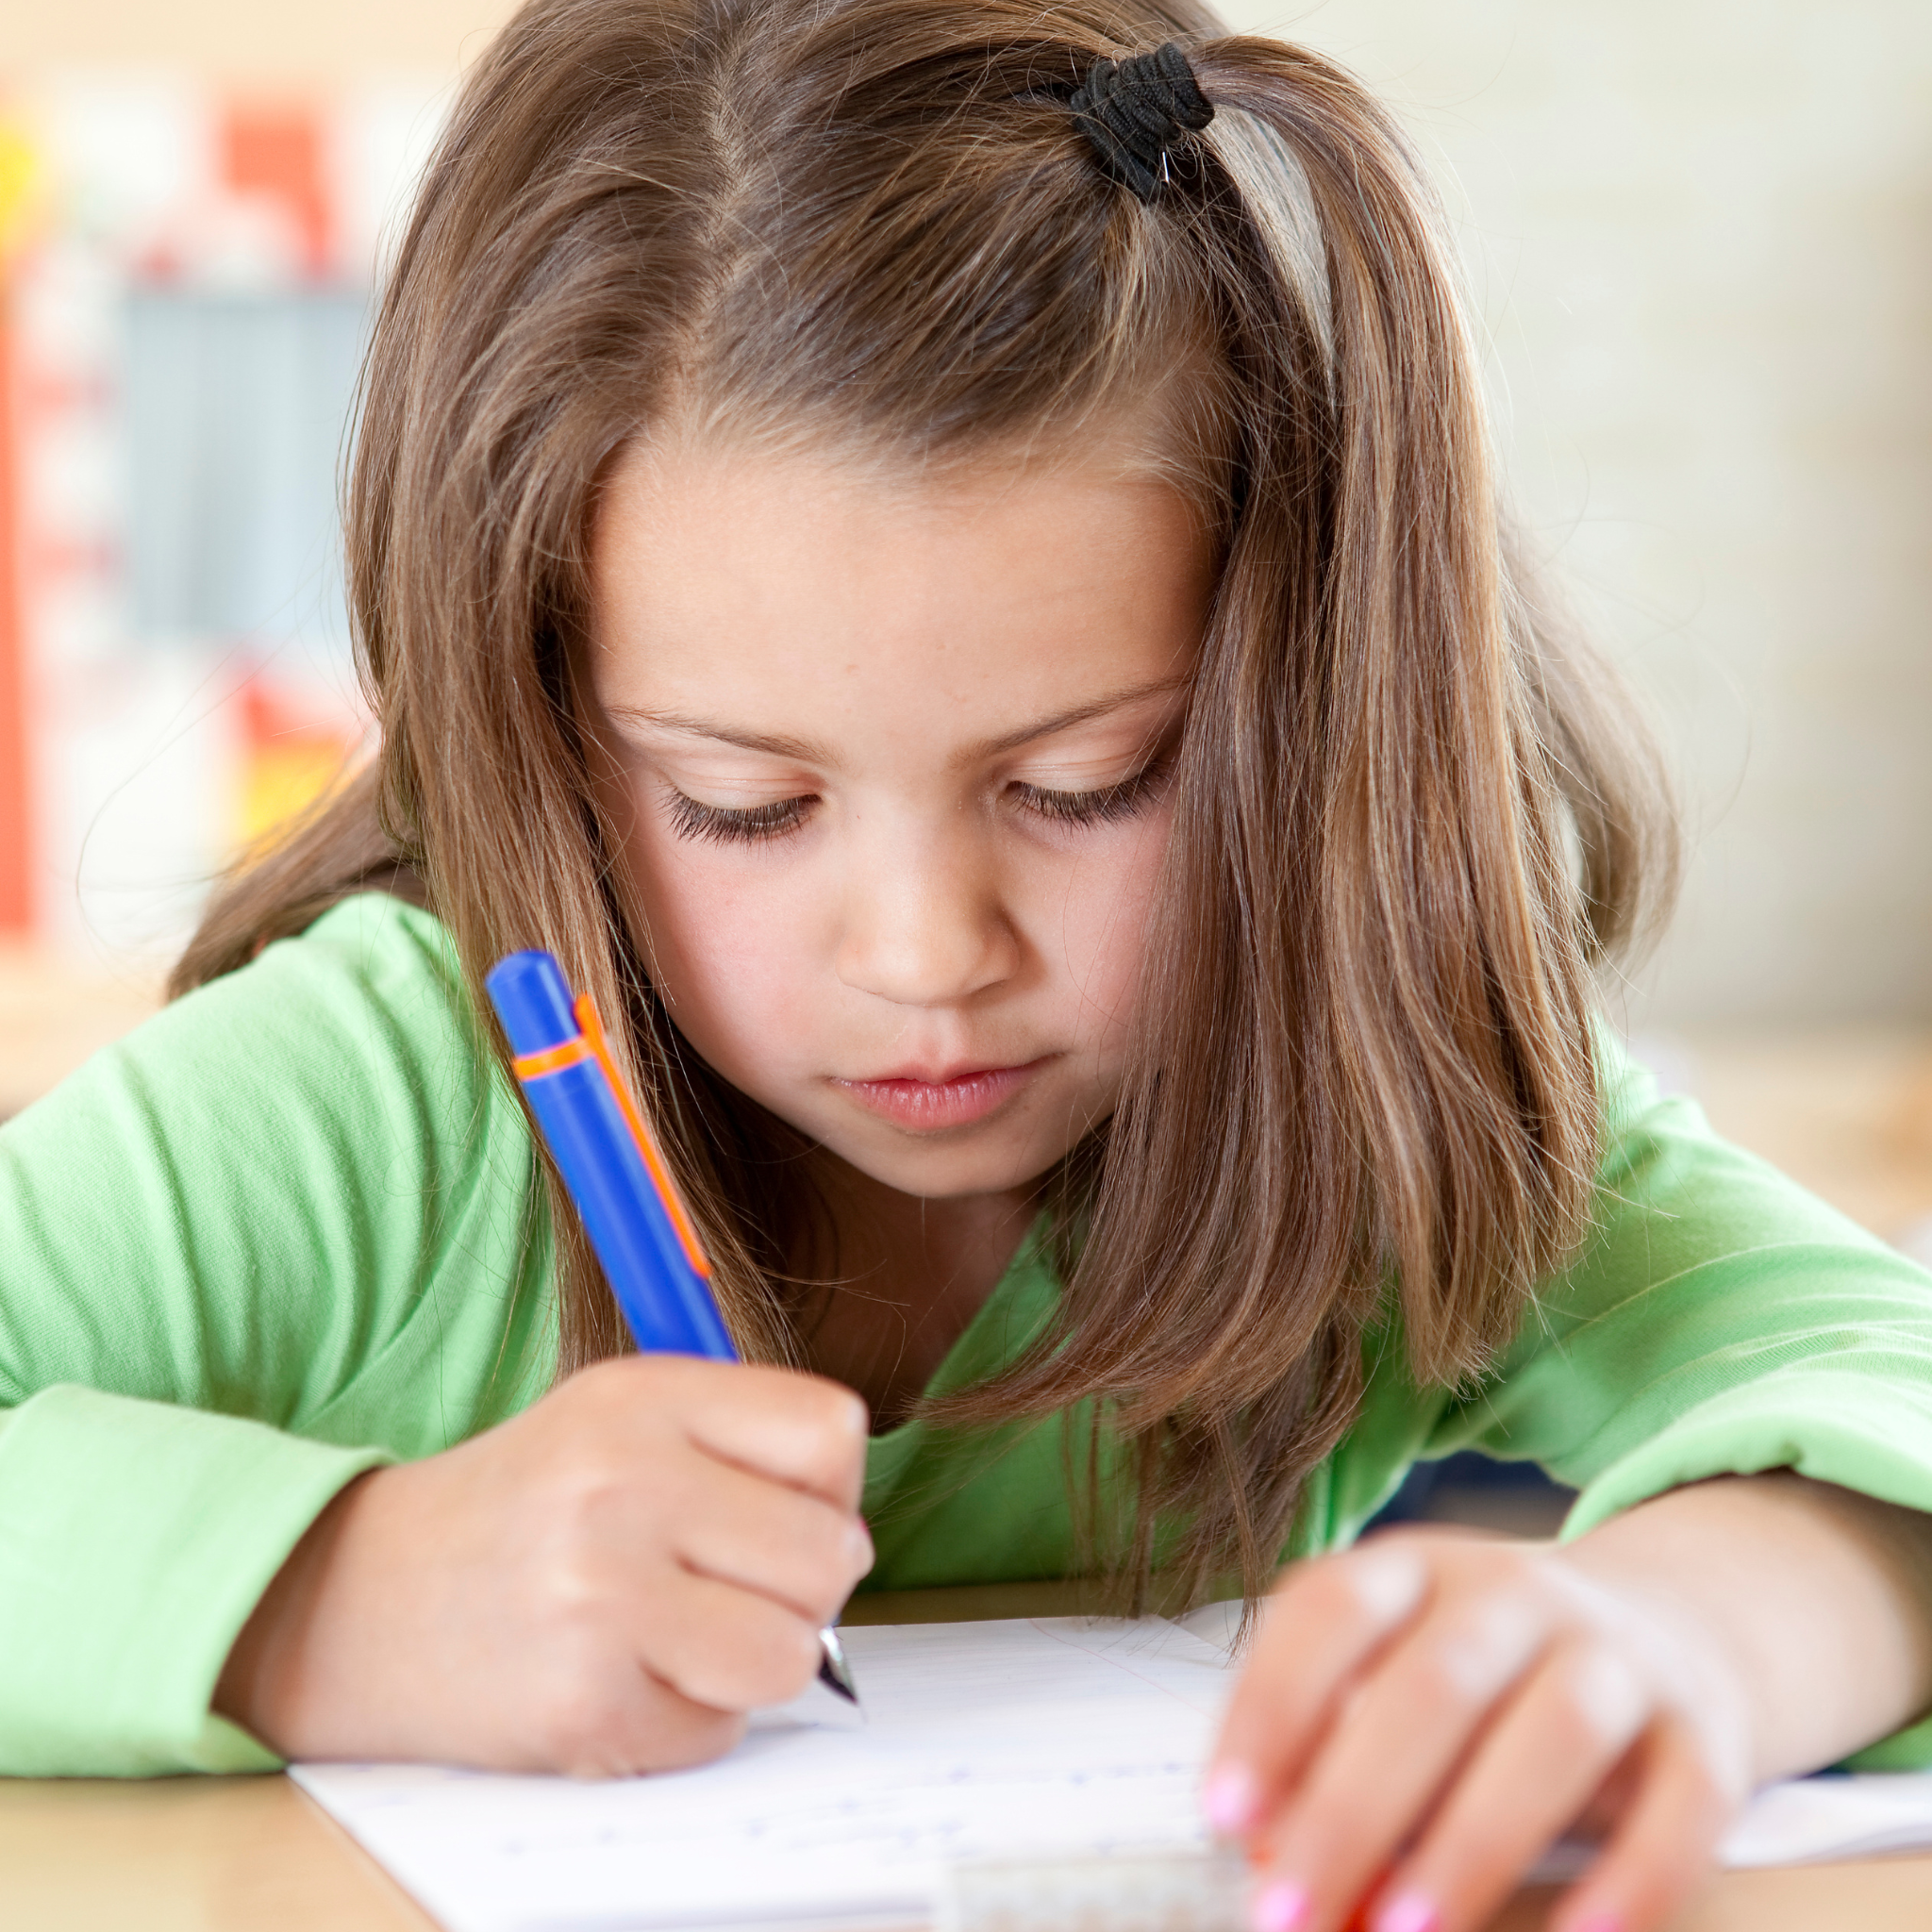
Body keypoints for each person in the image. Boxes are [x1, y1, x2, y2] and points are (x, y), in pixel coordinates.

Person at [4, 3, 1931, 1929]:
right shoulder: (370, 1110)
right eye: (743, 803)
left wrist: (1686, 1637)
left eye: (1088, 781)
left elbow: (1883, 1387)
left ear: (1313, 710)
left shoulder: (1347, 1084)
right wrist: (340, 1597)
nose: (926, 955)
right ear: (543, 728)